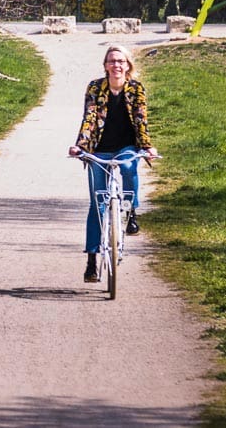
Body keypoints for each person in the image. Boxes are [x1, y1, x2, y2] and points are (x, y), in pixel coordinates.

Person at [67, 44, 157, 283]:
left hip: (126, 146)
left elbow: (141, 119)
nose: (116, 65)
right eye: (112, 61)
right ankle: (92, 261)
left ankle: (131, 211)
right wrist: (80, 146)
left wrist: (147, 147)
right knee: (97, 204)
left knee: (128, 167)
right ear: (105, 65)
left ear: (128, 66)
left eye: (121, 61)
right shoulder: (95, 87)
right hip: (99, 149)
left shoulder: (136, 88)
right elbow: (89, 118)